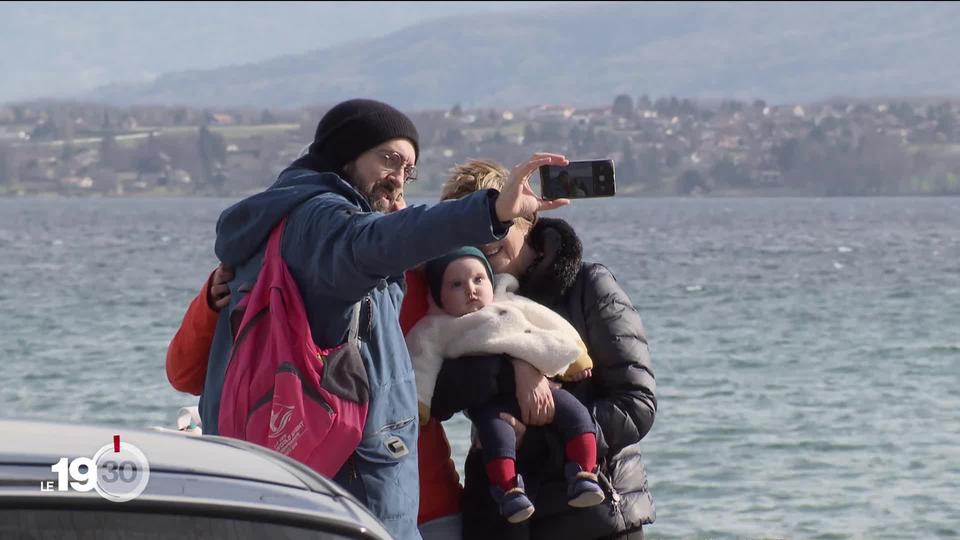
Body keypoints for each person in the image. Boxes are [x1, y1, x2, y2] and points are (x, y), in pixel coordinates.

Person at [168, 97, 569, 540]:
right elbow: (370, 244)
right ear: (346, 153)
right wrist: (491, 211)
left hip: (286, 470)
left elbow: (369, 311)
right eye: (389, 159)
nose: (398, 178)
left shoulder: (281, 221)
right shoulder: (322, 219)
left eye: (408, 170)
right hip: (351, 483)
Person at [426, 159, 656, 540]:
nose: (485, 237)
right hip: (501, 521)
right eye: (470, 226)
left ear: (525, 217)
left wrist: (541, 436)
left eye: (497, 220)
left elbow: (637, 404)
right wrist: (516, 365)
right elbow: (441, 395)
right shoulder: (460, 302)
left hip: (591, 517)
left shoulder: (587, 286)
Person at [406, 247, 603, 524]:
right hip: (493, 403)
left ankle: (585, 473)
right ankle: (509, 490)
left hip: (544, 387)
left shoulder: (510, 303)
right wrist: (420, 401)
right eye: (456, 285)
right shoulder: (437, 327)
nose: (470, 290)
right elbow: (421, 361)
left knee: (578, 415)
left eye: (478, 279)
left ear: (491, 280)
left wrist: (574, 358)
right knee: (496, 437)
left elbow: (551, 325)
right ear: (438, 296)